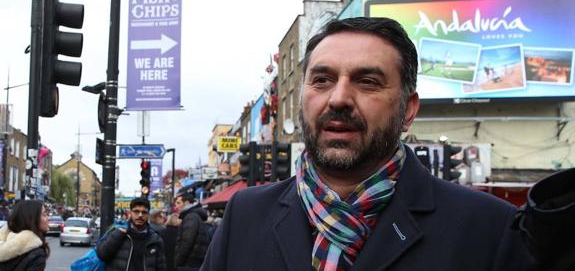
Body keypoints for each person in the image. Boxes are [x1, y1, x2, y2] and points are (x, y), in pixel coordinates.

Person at [201, 17, 541, 271]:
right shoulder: (245, 216)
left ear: (408, 109)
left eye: (367, 82)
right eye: (322, 80)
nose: (339, 98)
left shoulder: (489, 229)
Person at [96, 197, 166, 271]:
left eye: (144, 212)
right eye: (136, 211)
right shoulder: (117, 232)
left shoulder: (155, 239)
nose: (140, 215)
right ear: (130, 213)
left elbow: (161, 267)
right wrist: (117, 235)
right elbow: (102, 255)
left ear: (148, 215)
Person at [0, 200, 50, 270]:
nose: (48, 218)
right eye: (44, 215)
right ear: (32, 218)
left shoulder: (5, 242)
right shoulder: (36, 255)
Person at [174, 190, 211, 270]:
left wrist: (178, 261)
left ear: (187, 203)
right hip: (193, 264)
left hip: (189, 264)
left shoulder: (191, 217)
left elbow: (187, 242)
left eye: (178, 203)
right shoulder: (193, 216)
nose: (176, 206)